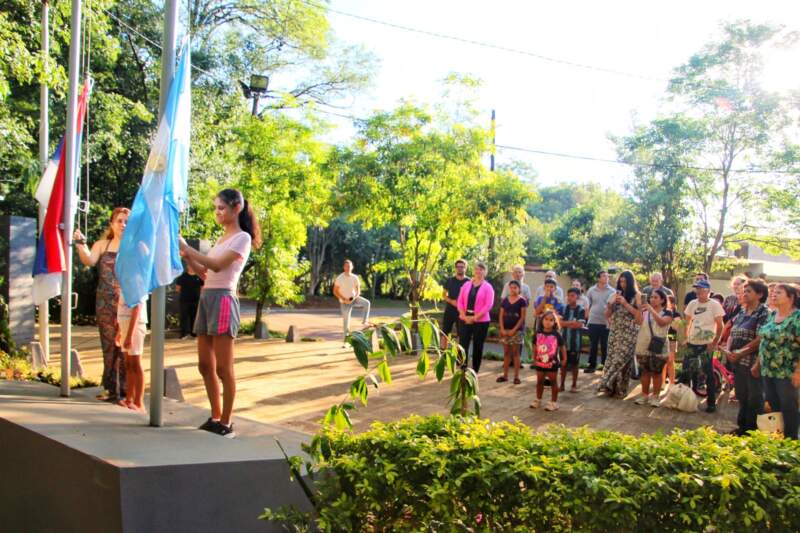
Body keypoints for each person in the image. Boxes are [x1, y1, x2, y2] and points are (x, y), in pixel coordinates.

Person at [179, 188, 261, 438]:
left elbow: (216, 265)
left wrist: (187, 247)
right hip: (206, 298)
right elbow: (205, 274)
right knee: (205, 365)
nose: (217, 212)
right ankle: (214, 416)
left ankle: (226, 422)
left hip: (224, 300)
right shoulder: (221, 239)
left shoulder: (242, 238)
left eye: (222, 208)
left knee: (224, 368)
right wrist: (187, 257)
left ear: (237, 208)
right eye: (216, 208)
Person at [74, 207, 130, 402]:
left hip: (125, 302)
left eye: (126, 221)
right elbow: (88, 260)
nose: (123, 224)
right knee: (108, 344)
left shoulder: (133, 246)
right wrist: (80, 243)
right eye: (119, 221)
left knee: (125, 345)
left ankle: (124, 389)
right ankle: (111, 388)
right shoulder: (102, 244)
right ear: (112, 224)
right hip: (104, 301)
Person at [720, 279, 769, 435]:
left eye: (749, 291)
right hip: (738, 361)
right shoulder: (742, 311)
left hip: (753, 362)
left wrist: (741, 352)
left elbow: (761, 337)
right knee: (741, 395)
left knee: (754, 397)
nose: (744, 293)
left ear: (760, 294)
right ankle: (742, 427)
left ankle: (751, 432)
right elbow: (734, 333)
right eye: (744, 290)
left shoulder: (764, 312)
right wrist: (729, 350)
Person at [756, 283, 800, 440]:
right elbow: (763, 341)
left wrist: (798, 372)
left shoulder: (797, 318)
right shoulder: (772, 315)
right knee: (774, 407)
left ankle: (792, 442)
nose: (773, 295)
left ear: (791, 297)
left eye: (778, 292)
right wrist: (757, 363)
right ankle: (778, 439)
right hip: (768, 370)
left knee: (789, 408)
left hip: (787, 372)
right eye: (772, 292)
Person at [681, 279, 725, 413]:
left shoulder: (715, 305)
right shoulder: (692, 303)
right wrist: (685, 338)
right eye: (697, 289)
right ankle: (686, 401)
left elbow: (720, 325)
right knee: (687, 371)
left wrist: (714, 342)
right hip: (692, 343)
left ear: (708, 291)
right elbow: (687, 322)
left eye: (701, 289)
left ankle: (711, 403)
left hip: (706, 344)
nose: (698, 291)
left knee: (708, 373)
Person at [598, 270, 641, 399]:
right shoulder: (615, 295)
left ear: (630, 282)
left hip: (629, 333)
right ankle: (611, 388)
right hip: (615, 331)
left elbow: (639, 317)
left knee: (622, 361)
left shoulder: (638, 295)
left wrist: (625, 304)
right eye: (620, 281)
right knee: (611, 359)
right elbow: (606, 315)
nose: (622, 284)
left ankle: (612, 385)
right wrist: (610, 305)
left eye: (625, 282)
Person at [633, 288, 672, 407]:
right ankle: (644, 395)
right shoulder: (645, 311)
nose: (652, 299)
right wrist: (640, 309)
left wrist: (651, 310)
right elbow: (637, 321)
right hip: (643, 344)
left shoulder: (668, 312)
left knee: (657, 372)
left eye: (655, 297)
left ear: (662, 300)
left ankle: (655, 396)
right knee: (645, 371)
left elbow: (662, 322)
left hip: (658, 346)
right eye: (651, 297)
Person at [457, 262, 494, 373]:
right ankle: (462, 369)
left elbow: (488, 305)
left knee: (478, 346)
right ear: (473, 271)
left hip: (481, 321)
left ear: (485, 272)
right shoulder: (466, 285)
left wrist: (475, 317)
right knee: (463, 345)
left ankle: (475, 371)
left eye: (481, 269)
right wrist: (463, 315)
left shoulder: (488, 287)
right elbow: (460, 301)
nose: (478, 271)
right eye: (477, 269)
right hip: (464, 319)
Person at [116, 290, 147, 412]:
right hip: (124, 324)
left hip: (135, 326)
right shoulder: (125, 284)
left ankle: (139, 402)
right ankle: (129, 399)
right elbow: (122, 310)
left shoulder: (137, 284)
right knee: (128, 364)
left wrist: (130, 335)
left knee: (135, 364)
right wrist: (120, 332)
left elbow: (137, 309)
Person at [529, 310, 566, 411]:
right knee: (539, 381)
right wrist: (534, 357)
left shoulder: (556, 334)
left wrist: (564, 359)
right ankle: (538, 399)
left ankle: (554, 402)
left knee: (553, 382)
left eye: (551, 320)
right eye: (546, 319)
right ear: (541, 320)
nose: (548, 322)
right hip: (540, 362)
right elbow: (534, 346)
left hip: (552, 363)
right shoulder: (537, 333)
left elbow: (562, 347)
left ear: (555, 322)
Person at [584, 270, 617, 373]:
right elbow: (587, 303)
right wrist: (587, 315)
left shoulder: (612, 291)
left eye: (607, 276)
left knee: (605, 345)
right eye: (603, 276)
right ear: (598, 278)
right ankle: (591, 365)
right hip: (593, 320)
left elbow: (614, 306)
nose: (606, 278)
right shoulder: (591, 290)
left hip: (606, 322)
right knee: (593, 344)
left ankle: (605, 366)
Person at [334, 260, 371, 345]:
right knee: (346, 322)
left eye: (349, 266)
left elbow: (358, 290)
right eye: (346, 266)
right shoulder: (340, 278)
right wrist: (344, 299)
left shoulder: (355, 277)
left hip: (354, 299)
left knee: (367, 303)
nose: (348, 268)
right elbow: (335, 291)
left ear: (352, 267)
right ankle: (345, 342)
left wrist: (354, 297)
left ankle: (365, 321)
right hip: (344, 302)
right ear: (344, 267)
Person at [497, 280, 527, 385]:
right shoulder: (505, 300)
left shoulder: (522, 301)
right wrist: (502, 328)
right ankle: (505, 375)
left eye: (515, 287)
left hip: (517, 331)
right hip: (505, 330)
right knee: (506, 353)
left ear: (519, 289)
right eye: (511, 287)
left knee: (515, 353)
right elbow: (501, 315)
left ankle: (516, 377)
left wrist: (514, 330)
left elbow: (522, 317)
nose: (513, 289)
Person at [560, 287, 586, 393]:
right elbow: (560, 323)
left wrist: (567, 323)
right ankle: (561, 384)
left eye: (572, 296)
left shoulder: (581, 310)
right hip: (564, 342)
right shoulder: (564, 308)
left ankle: (574, 385)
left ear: (577, 297)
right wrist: (571, 323)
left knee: (575, 364)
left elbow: (579, 325)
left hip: (575, 343)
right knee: (563, 363)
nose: (569, 298)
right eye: (568, 295)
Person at [440, 259, 469, 349]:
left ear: (465, 268)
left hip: (462, 311)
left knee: (461, 333)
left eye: (462, 267)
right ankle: (443, 354)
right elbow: (444, 295)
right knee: (445, 332)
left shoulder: (469, 282)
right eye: (458, 267)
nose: (460, 269)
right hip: (450, 310)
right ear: (455, 268)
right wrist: (451, 301)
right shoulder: (449, 280)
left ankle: (458, 355)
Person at [175, 266, 204, 339]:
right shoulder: (182, 277)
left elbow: (202, 288)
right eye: (189, 265)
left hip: (196, 300)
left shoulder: (199, 276)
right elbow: (178, 288)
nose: (191, 267)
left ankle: (194, 334)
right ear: (187, 267)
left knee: (194, 317)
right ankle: (183, 334)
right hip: (184, 300)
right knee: (183, 317)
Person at [662, 295, 681, 391]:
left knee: (670, 361)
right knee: (662, 362)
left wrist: (669, 320)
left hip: (672, 339)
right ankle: (662, 382)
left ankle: (671, 383)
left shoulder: (676, 314)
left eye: (668, 302)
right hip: (662, 339)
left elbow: (675, 327)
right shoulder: (662, 312)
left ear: (673, 304)